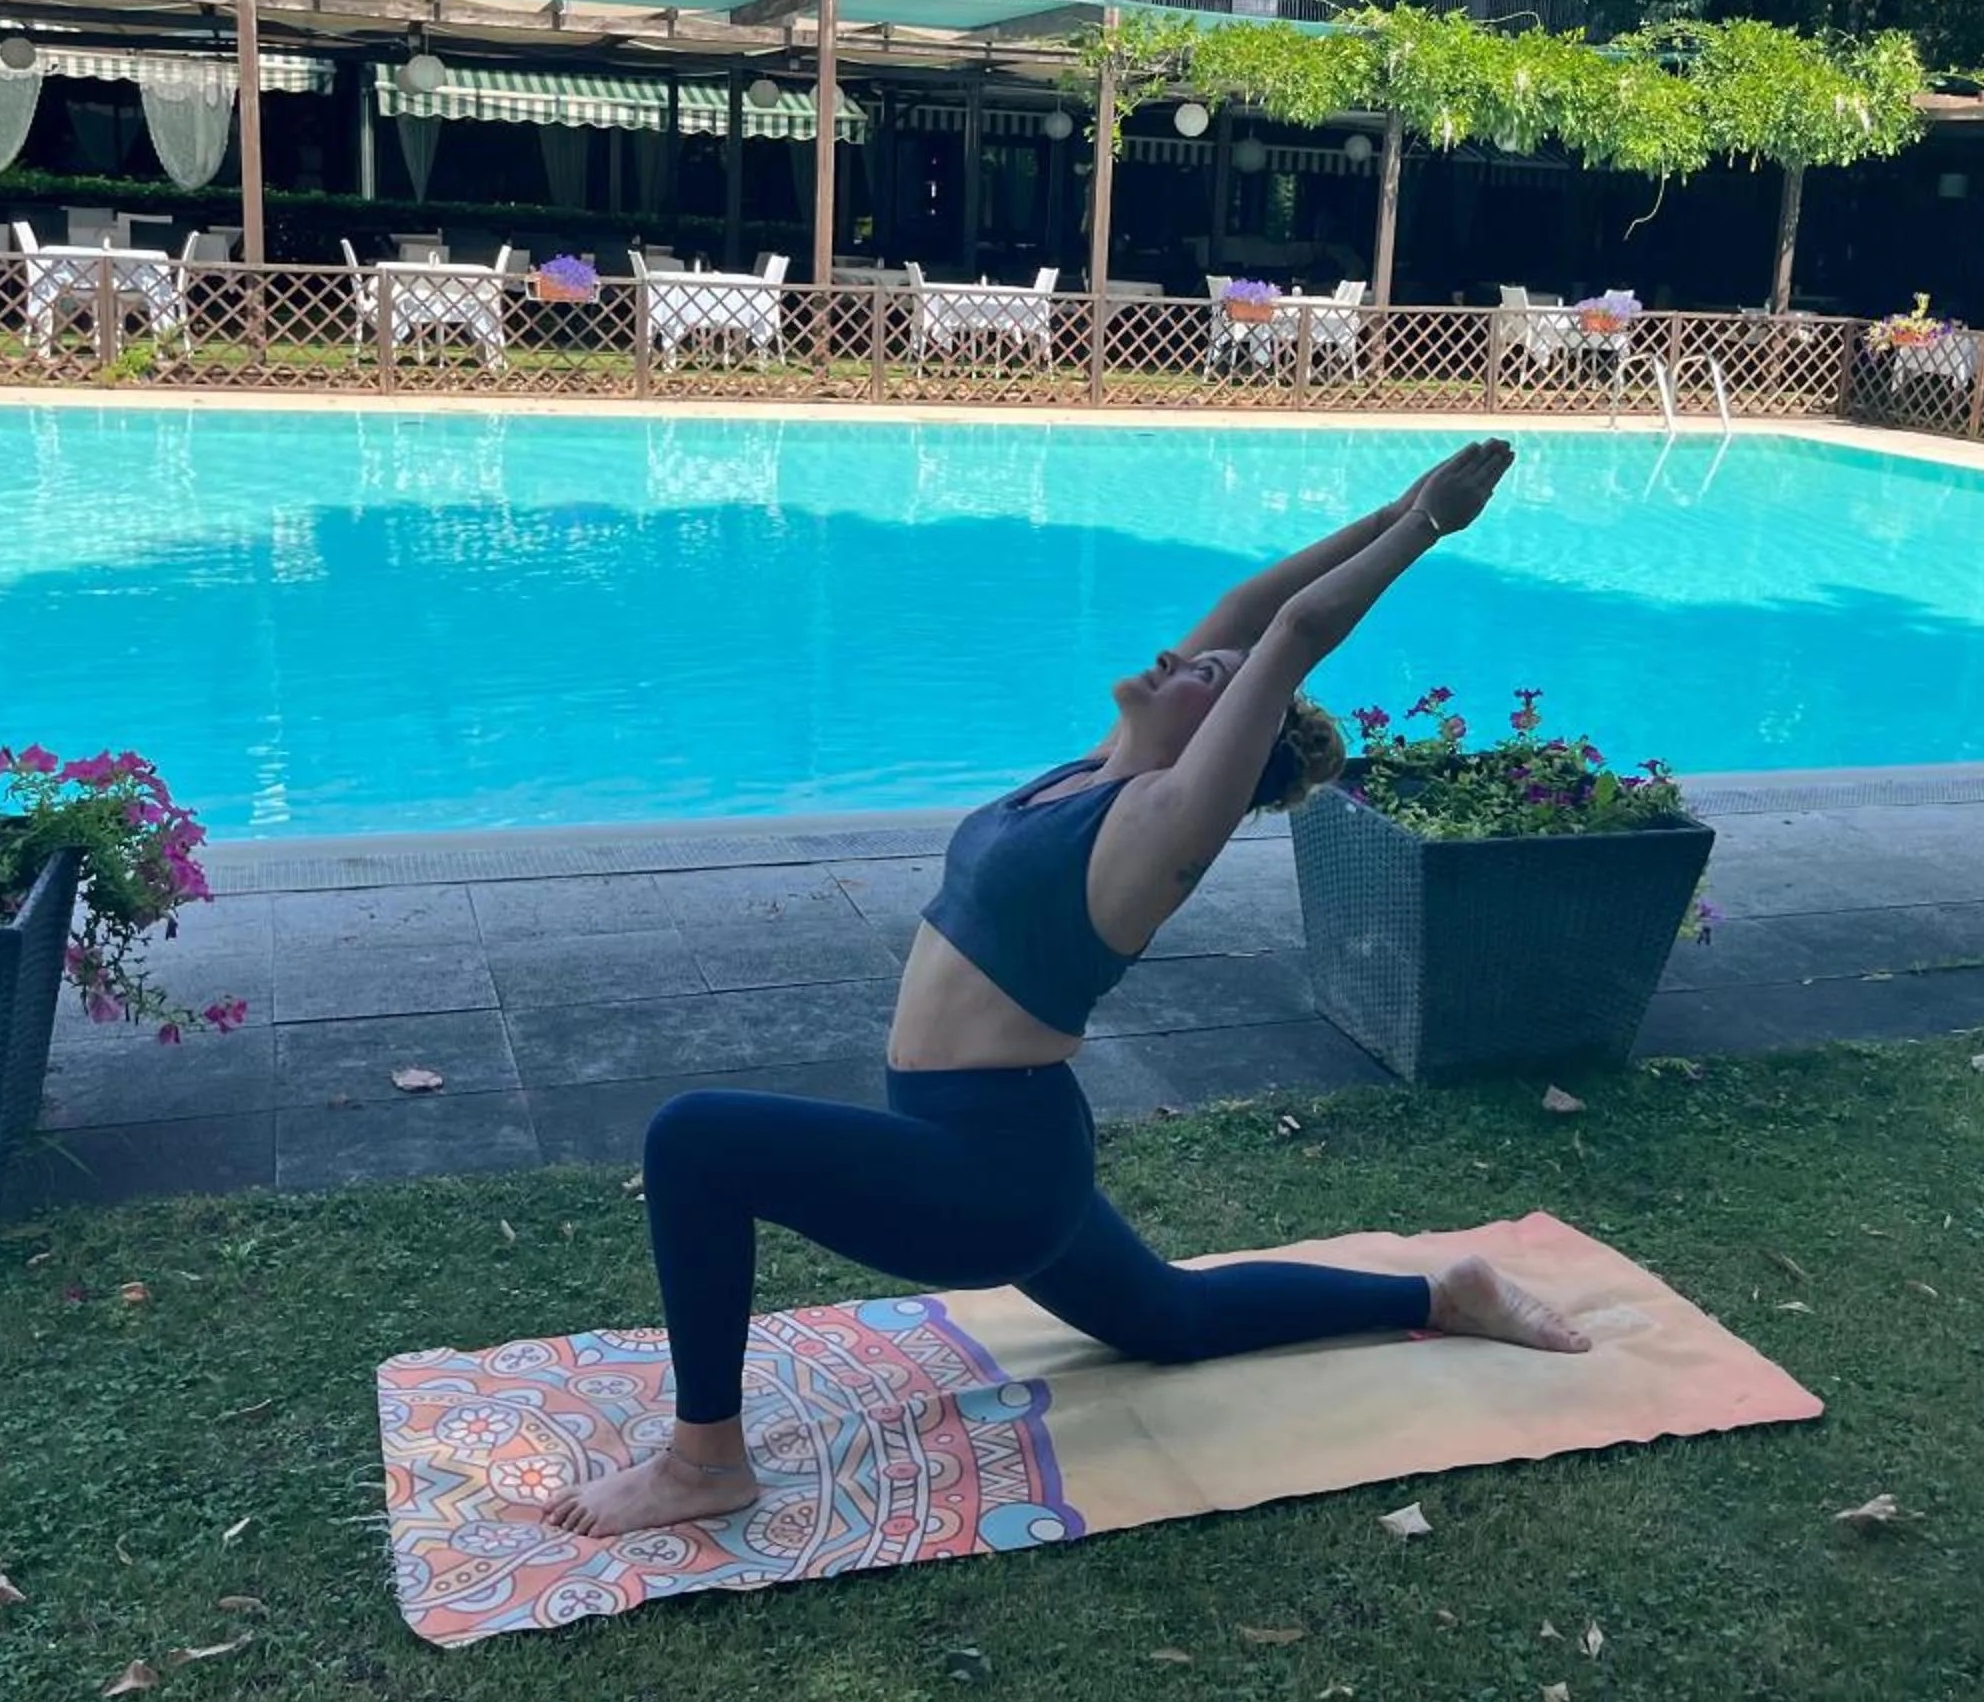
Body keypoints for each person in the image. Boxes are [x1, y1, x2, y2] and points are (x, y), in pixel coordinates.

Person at [541, 438, 1589, 1540]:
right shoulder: (1097, 771)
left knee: (694, 1139)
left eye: (1210, 680)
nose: (1188, 657)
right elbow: (1253, 605)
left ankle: (704, 1461)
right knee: (1167, 1317)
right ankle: (1443, 1295)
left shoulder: (1153, 829)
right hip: (1001, 1146)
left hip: (988, 1175)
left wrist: (1428, 531)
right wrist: (1398, 500)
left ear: (1222, 747)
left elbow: (1293, 633)